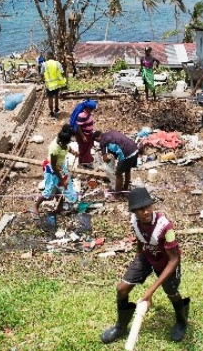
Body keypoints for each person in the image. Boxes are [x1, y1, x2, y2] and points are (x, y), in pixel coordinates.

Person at [101, 187, 189, 344]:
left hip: (166, 262)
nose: (146, 212)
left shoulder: (166, 227)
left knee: (172, 292)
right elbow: (140, 239)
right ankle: (120, 327)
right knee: (122, 289)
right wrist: (137, 259)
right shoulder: (135, 221)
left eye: (147, 206)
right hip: (147, 257)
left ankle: (182, 321)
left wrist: (149, 293)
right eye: (140, 209)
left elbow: (173, 259)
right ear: (134, 211)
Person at [34, 124, 79, 215]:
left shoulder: (64, 141)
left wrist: (73, 152)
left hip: (60, 166)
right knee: (49, 191)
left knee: (60, 188)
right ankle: (35, 206)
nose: (69, 142)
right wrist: (62, 180)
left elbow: (68, 147)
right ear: (62, 142)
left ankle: (60, 207)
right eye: (68, 141)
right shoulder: (54, 148)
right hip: (52, 169)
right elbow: (54, 167)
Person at [93, 129, 139, 200]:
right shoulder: (111, 132)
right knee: (127, 169)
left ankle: (116, 196)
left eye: (96, 141)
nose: (98, 142)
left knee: (118, 174)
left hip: (126, 153)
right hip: (134, 149)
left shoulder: (102, 142)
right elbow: (117, 145)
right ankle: (125, 189)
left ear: (97, 138)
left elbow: (105, 159)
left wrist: (107, 161)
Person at [70, 99, 97, 169]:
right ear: (87, 108)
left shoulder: (87, 113)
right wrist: (83, 136)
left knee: (87, 148)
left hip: (88, 134)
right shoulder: (81, 115)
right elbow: (78, 127)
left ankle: (86, 161)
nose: (92, 111)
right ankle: (80, 163)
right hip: (84, 135)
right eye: (91, 109)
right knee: (82, 149)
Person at [40, 51, 67, 118]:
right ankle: (56, 108)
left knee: (50, 98)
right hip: (57, 84)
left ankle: (52, 112)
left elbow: (41, 74)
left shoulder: (44, 64)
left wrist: (43, 79)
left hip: (49, 84)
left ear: (47, 57)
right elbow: (62, 73)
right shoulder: (57, 63)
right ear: (52, 56)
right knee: (56, 96)